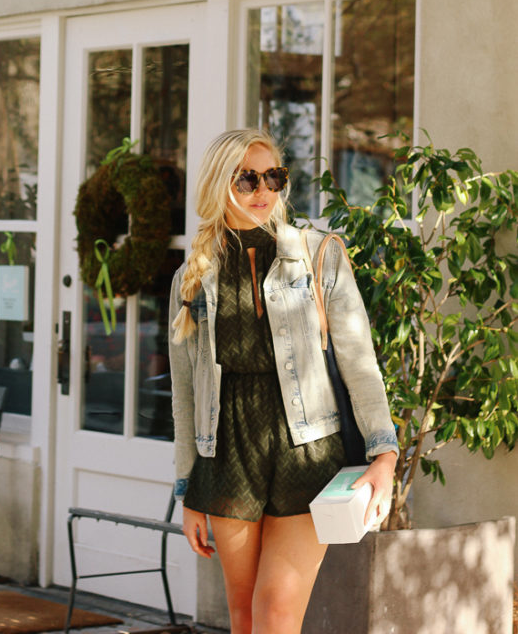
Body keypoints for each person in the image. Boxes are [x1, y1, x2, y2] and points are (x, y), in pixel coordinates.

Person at [168, 129, 398, 634]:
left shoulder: (318, 255)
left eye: (273, 176)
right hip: (226, 452)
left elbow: (360, 360)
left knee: (276, 611)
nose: (262, 190)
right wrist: (187, 490)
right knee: (245, 614)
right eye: (246, 178)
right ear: (216, 184)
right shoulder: (193, 277)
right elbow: (184, 395)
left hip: (307, 448)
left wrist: (385, 453)